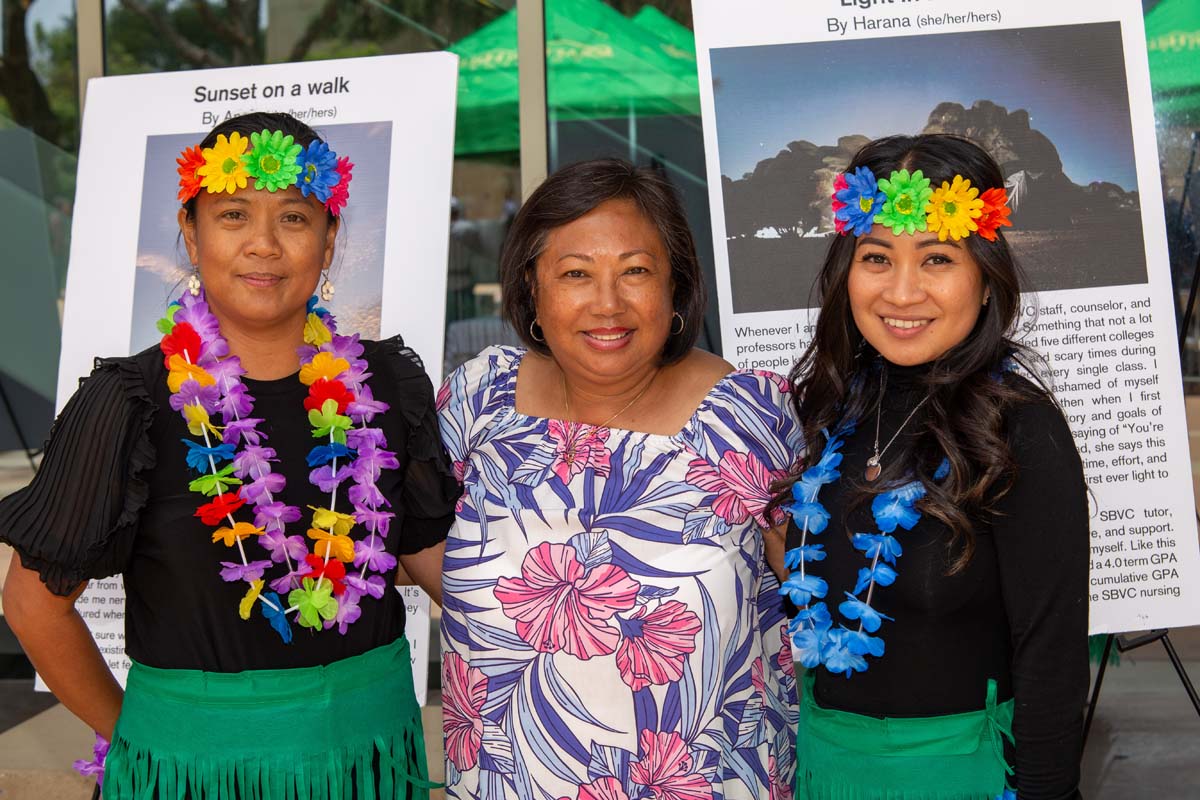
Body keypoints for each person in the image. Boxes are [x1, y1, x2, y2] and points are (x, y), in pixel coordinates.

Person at [0, 111, 460, 798]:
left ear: (330, 240)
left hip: (369, 766)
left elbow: (425, 552)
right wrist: (145, 737)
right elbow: (34, 607)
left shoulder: (388, 386)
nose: (264, 245)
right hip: (191, 773)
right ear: (191, 234)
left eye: (296, 218)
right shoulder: (128, 403)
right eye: (234, 214)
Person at [437, 158, 801, 800]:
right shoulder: (479, 398)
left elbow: (814, 594)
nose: (607, 304)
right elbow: (425, 544)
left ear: (675, 285)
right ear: (533, 287)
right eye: (576, 274)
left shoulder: (749, 420)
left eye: (635, 271)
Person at [773, 134, 1088, 799]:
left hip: (956, 775)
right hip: (822, 771)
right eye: (877, 257)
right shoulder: (827, 412)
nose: (902, 290)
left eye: (937, 258)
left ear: (983, 277)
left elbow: (1052, 659)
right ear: (846, 270)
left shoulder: (1018, 429)